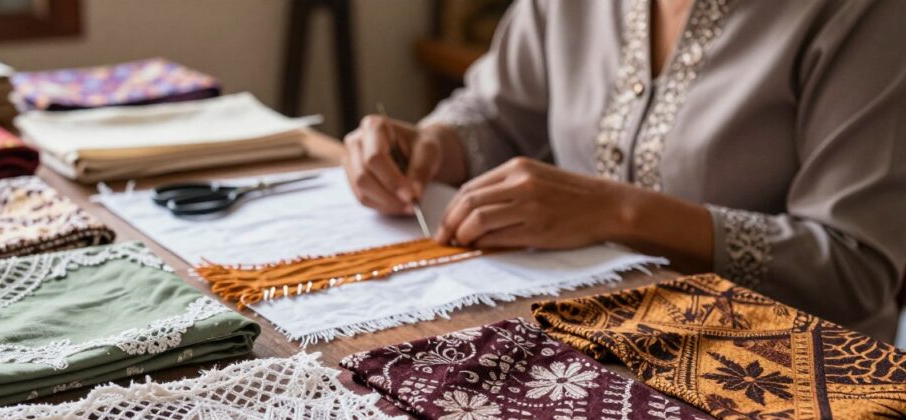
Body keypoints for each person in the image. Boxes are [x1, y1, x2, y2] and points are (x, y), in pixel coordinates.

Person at [343, 0, 906, 342]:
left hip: (785, 387)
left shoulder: (863, 14)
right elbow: (495, 112)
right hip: (580, 339)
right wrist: (430, 146)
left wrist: (618, 211)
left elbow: (856, 268)